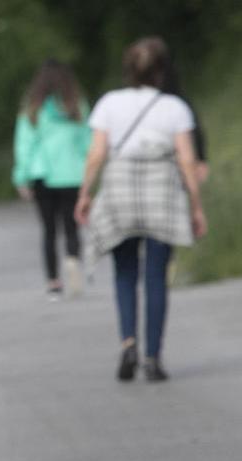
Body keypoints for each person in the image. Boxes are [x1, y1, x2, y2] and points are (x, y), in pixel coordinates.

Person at [75, 36, 207, 382]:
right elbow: (187, 159)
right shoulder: (174, 107)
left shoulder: (109, 103)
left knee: (124, 272)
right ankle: (152, 357)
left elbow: (97, 154)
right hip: (162, 188)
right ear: (161, 70)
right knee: (155, 276)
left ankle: (128, 344)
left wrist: (85, 193)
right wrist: (196, 206)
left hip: (119, 186)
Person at [12, 59, 92, 300]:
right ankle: (72, 258)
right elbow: (87, 143)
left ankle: (54, 283)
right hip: (72, 173)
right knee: (71, 225)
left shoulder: (33, 108)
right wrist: (89, 176)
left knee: (48, 230)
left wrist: (21, 176)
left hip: (43, 174)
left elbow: (25, 144)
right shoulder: (76, 106)